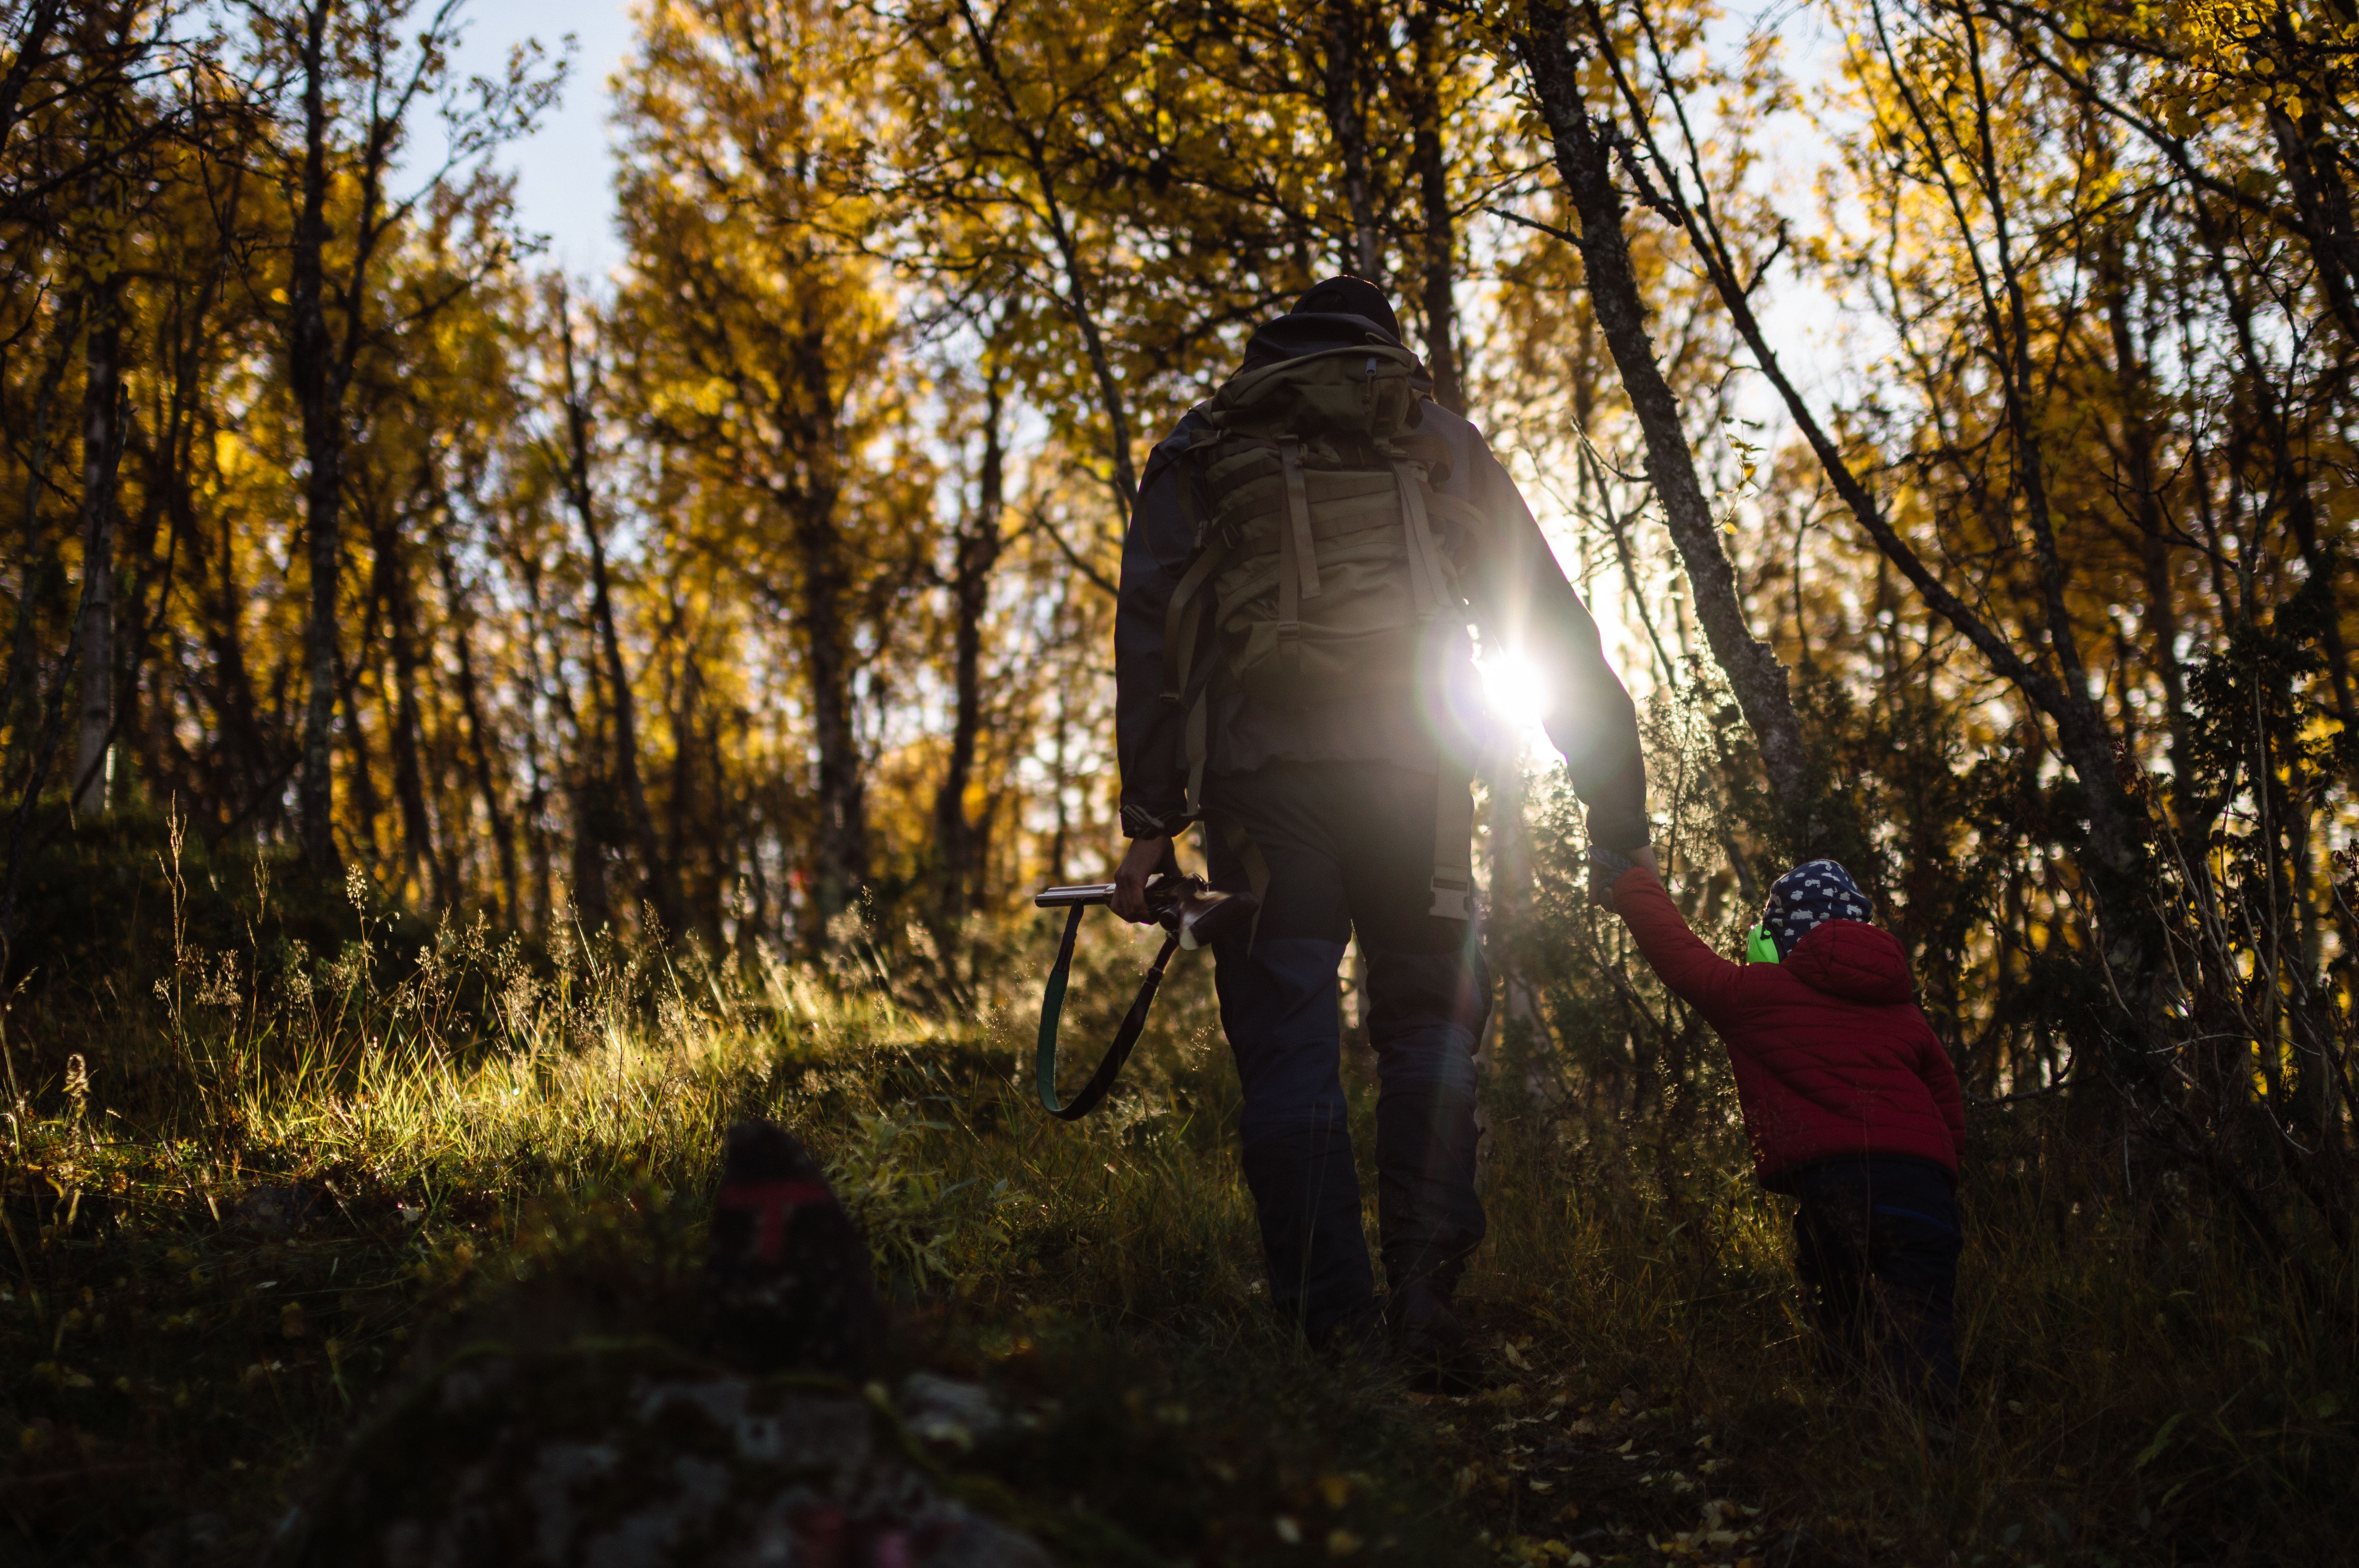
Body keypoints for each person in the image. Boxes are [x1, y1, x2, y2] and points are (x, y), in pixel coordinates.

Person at [1110, 276, 1652, 1373]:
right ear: (1385, 349)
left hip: (1266, 793)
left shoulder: (1209, 439)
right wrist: (1617, 818)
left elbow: (1153, 633)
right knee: (1431, 1034)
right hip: (1422, 781)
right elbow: (1548, 619)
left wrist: (1151, 821)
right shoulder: (1435, 438)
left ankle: (1334, 1332)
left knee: (1290, 1050)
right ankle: (1428, 1304)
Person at [1595, 852, 1966, 1409]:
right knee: (1923, 1320)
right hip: (1924, 1190)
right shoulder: (1905, 1012)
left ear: (1776, 938)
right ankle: (1925, 1442)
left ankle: (1853, 1433)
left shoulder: (1756, 996)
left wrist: (1628, 880)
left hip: (1836, 1189)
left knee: (1840, 1314)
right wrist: (1943, 1175)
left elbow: (1676, 952)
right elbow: (1948, 1104)